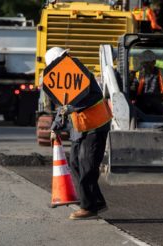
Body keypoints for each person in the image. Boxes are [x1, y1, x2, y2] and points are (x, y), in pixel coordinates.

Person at [45, 47, 112, 220]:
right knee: (75, 163)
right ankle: (95, 201)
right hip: (79, 127)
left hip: (95, 125)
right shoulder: (62, 79)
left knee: (87, 164)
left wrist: (72, 108)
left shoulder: (82, 75)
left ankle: (88, 207)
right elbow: (63, 106)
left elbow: (92, 98)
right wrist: (55, 127)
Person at [130, 49, 163, 115]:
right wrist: (130, 81)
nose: (146, 65)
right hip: (142, 101)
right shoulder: (137, 74)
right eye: (144, 63)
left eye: (148, 63)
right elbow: (133, 92)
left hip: (159, 100)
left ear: (154, 62)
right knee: (133, 112)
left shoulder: (162, 73)